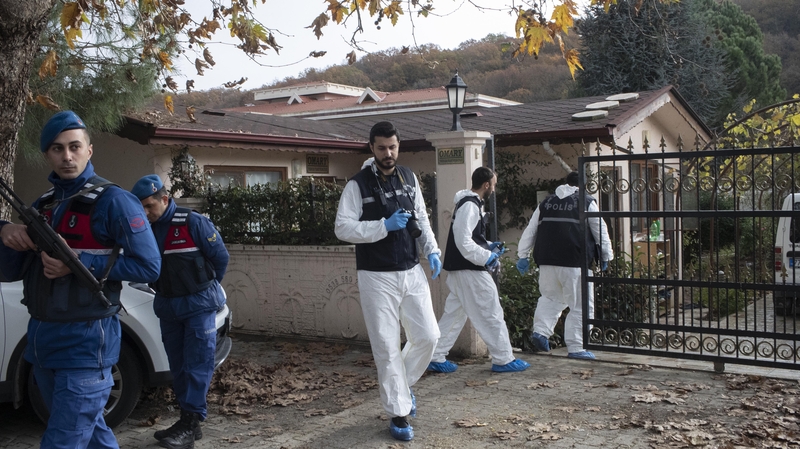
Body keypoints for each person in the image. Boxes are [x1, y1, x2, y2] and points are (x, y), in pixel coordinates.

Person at [0, 111, 162, 448]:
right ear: (47, 154)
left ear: (89, 150)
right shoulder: (43, 205)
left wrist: (76, 263)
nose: (67, 156)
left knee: (62, 439)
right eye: (57, 149)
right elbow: (11, 270)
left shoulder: (115, 201)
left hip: (87, 341)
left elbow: (149, 266)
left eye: (75, 146)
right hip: (43, 340)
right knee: (91, 435)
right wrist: (7, 234)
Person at [334, 121, 442, 442]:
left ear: (398, 145)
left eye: (392, 146)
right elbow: (343, 228)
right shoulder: (357, 185)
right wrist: (383, 225)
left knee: (428, 336)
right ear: (372, 148)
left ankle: (401, 391)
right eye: (381, 147)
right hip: (376, 275)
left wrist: (432, 251)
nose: (388, 153)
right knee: (386, 345)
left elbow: (421, 217)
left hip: (411, 270)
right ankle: (398, 413)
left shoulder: (409, 178)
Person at [131, 174, 229, 449]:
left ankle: (190, 424)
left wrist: (202, 289)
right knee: (179, 366)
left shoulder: (192, 222)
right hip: (168, 306)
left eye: (150, 206)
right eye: (141, 208)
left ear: (165, 199)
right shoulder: (146, 230)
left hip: (198, 306)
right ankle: (188, 422)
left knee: (198, 365)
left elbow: (220, 259)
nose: (146, 212)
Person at [427, 167, 530, 374]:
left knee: (454, 315)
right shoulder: (470, 206)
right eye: (494, 184)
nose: (494, 188)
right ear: (486, 185)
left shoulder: (468, 204)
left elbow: (467, 238)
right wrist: (487, 256)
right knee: (491, 312)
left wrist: (488, 245)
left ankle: (436, 356)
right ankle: (503, 358)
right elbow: (463, 241)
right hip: (470, 271)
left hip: (461, 270)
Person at [515, 171, 613, 360]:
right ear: (583, 185)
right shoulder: (586, 202)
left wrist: (523, 255)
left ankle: (541, 333)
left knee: (551, 298)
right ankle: (576, 347)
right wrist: (606, 255)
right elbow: (600, 230)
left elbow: (531, 229)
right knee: (581, 305)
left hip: (547, 261)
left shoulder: (546, 203)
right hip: (574, 261)